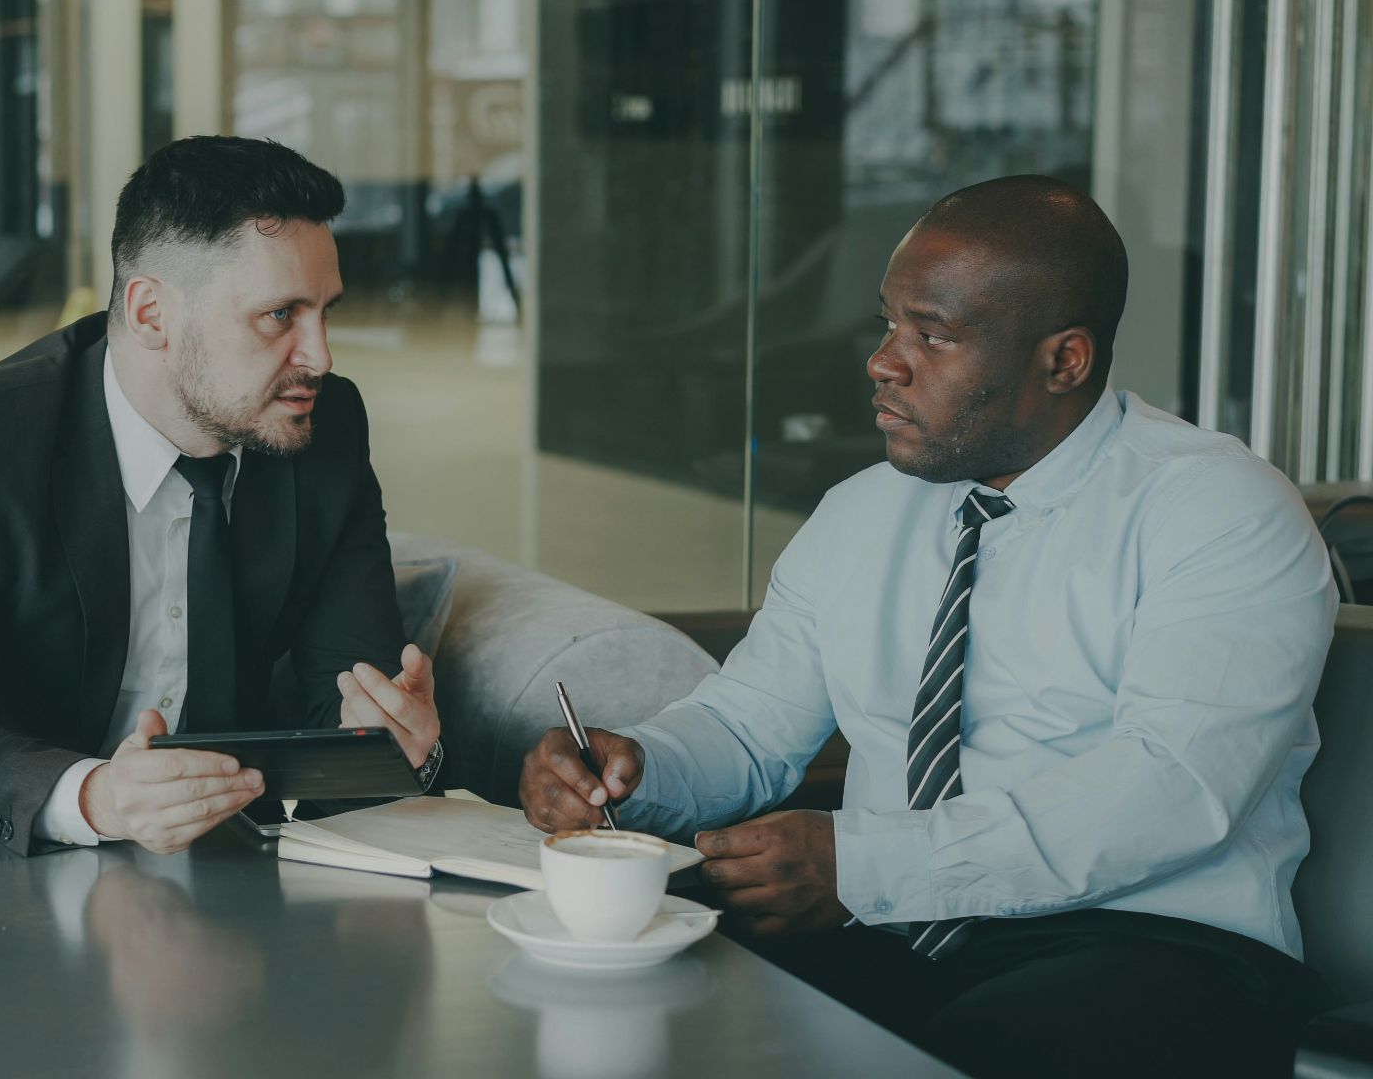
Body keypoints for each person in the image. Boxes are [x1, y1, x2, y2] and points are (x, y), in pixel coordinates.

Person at [519, 175, 1336, 1076]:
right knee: (639, 1004)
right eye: (889, 324)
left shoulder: (1217, 508)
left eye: (934, 336)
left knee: (980, 1051)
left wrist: (865, 868)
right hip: (897, 930)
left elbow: (1174, 789)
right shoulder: (862, 511)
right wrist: (634, 769)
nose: (884, 361)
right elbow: (748, 728)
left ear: (1063, 361)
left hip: (1158, 946)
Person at [0, 136, 443, 855]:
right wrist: (95, 797)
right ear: (150, 315)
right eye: (279, 316)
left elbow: (346, 701)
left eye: (325, 312)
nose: (320, 356)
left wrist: (388, 741)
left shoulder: (323, 427)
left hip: (204, 881)